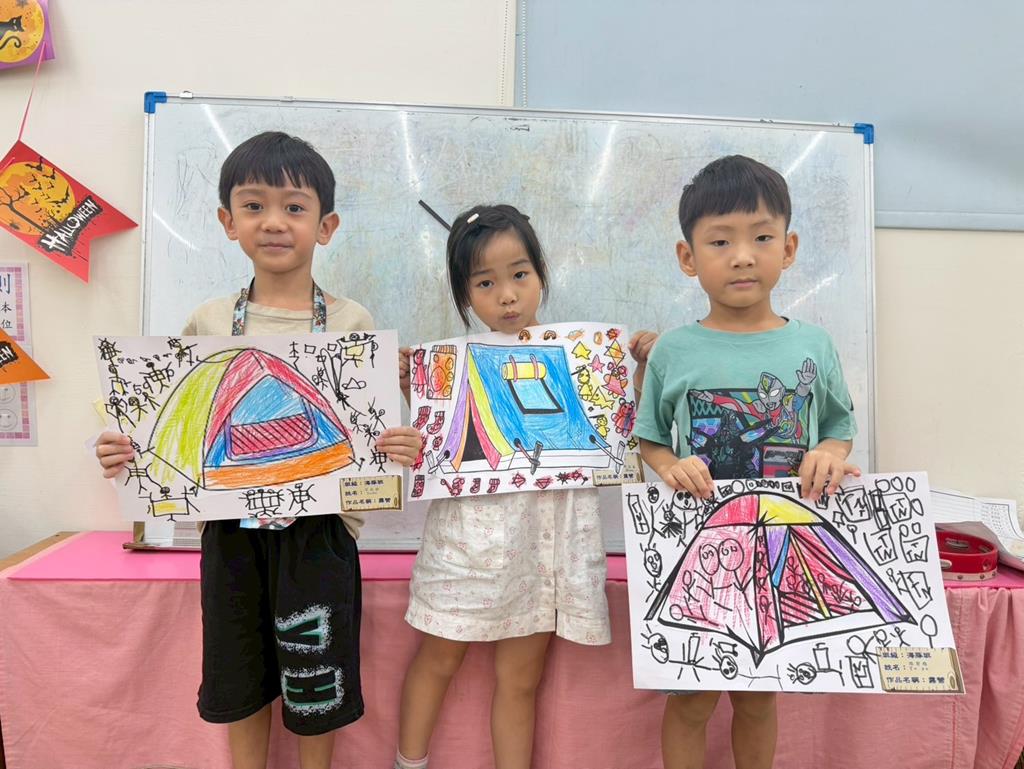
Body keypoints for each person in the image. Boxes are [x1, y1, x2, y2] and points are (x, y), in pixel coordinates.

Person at [94, 131, 421, 769]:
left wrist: (399, 443)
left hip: (321, 536)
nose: (274, 222)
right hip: (228, 537)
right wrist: (125, 452)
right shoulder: (208, 321)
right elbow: (169, 423)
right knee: (236, 675)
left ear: (325, 227)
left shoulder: (353, 323)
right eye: (254, 206)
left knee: (317, 678)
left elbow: (371, 434)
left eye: (294, 207)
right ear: (228, 221)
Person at [393, 203, 656, 769]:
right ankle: (407, 763)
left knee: (521, 678)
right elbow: (430, 443)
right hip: (469, 544)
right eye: (485, 283)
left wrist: (636, 372)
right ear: (465, 295)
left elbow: (619, 437)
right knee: (439, 659)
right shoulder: (450, 364)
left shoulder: (582, 356)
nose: (507, 295)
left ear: (541, 274)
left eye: (520, 274)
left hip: (546, 547)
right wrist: (410, 389)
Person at [633, 155, 859, 769]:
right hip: (702, 547)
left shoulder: (813, 344)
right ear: (688, 257)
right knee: (690, 701)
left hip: (786, 544)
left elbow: (839, 427)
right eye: (720, 241)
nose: (742, 257)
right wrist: (668, 466)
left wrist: (828, 453)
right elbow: (649, 439)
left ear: (788, 248)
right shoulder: (674, 350)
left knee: (759, 698)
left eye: (761, 238)